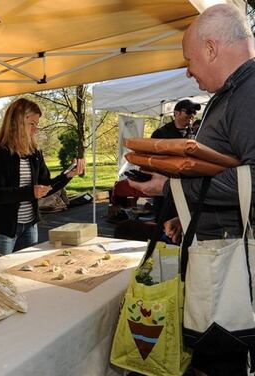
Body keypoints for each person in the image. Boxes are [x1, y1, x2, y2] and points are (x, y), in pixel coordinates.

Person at [129, 4, 255, 374]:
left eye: (190, 58)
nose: (188, 70)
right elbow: (226, 172)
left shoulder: (249, 94)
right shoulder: (234, 92)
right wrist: (188, 218)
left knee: (222, 361)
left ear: (212, 48)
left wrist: (171, 186)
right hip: (220, 258)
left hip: (233, 274)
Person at [0, 98, 84, 255]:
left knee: (27, 272)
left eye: (37, 124)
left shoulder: (34, 153)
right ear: (17, 122)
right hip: (4, 229)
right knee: (2, 276)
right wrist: (30, 192)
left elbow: (46, 186)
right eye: (32, 124)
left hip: (30, 227)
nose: (36, 129)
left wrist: (67, 175)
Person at [150, 99, 201, 236]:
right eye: (188, 111)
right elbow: (151, 161)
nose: (192, 115)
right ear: (176, 113)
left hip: (188, 189)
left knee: (185, 228)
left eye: (194, 112)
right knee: (164, 230)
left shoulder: (196, 134)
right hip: (166, 189)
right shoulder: (160, 134)